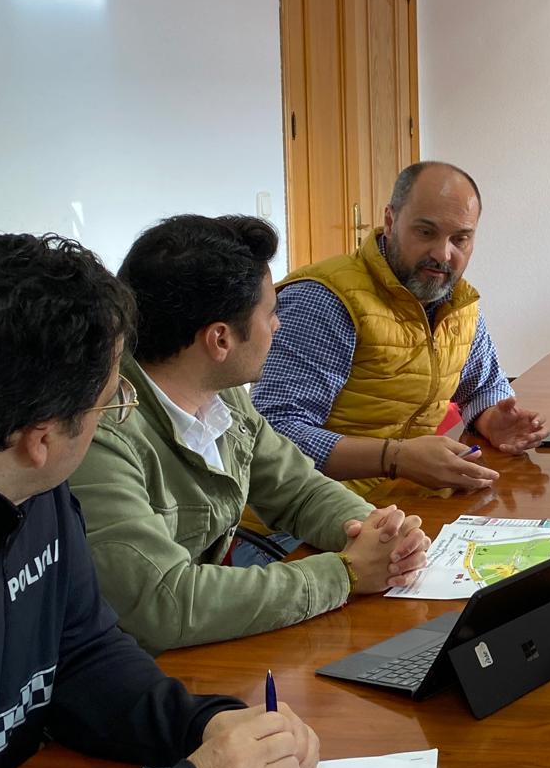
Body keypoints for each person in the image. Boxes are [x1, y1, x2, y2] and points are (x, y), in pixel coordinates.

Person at [0, 232, 321, 768]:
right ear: (41, 438)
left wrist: (203, 723)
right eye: (112, 405)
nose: (117, 416)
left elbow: (80, 656)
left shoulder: (26, 482)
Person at [71, 216, 430, 655]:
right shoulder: (101, 433)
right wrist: (346, 574)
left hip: (201, 647)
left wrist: (381, 536)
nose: (277, 326)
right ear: (219, 340)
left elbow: (297, 490)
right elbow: (162, 604)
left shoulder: (220, 394)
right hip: (137, 668)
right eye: (271, 312)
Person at [254, 161, 545, 502]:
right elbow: (274, 434)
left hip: (398, 500)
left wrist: (492, 418)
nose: (442, 253)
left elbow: (482, 387)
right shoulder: (325, 300)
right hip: (300, 519)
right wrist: (394, 458)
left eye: (460, 239)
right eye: (426, 232)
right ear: (390, 221)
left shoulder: (458, 302)